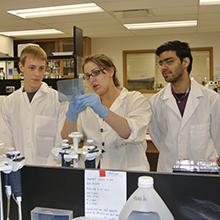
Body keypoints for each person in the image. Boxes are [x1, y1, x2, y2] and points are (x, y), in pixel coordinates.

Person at [61, 54, 151, 171]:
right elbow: (68, 140)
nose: (92, 79)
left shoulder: (134, 99)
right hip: (94, 175)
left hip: (128, 171)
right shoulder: (87, 106)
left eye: (96, 72)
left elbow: (130, 132)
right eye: (88, 76)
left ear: (110, 71)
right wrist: (71, 115)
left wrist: (103, 111)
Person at [149, 40, 220, 172]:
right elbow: (157, 137)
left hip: (203, 171)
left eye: (169, 61)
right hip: (169, 170)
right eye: (161, 63)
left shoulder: (212, 99)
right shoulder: (156, 102)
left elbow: (218, 138)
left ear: (185, 62)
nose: (163, 67)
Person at [0, 44, 67, 165]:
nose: (37, 73)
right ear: (21, 67)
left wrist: (49, 169)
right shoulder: (9, 102)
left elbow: (60, 141)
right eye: (32, 68)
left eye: (41, 68)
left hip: (49, 170)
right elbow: (5, 141)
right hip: (17, 170)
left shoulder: (59, 100)